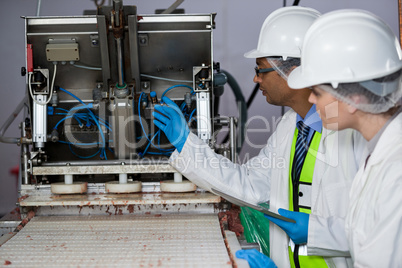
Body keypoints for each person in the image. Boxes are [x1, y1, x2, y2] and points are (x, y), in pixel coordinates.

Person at [153, 6, 366, 268]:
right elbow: (250, 185)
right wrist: (186, 142)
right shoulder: (290, 127)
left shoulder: (353, 135)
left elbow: (381, 231)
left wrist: (319, 233)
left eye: (261, 69)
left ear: (294, 70)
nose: (255, 79)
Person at [283, 9, 402, 267]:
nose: (311, 100)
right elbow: (364, 235)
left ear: (353, 99)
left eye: (317, 92)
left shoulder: (396, 170)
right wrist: (316, 231)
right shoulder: (379, 149)